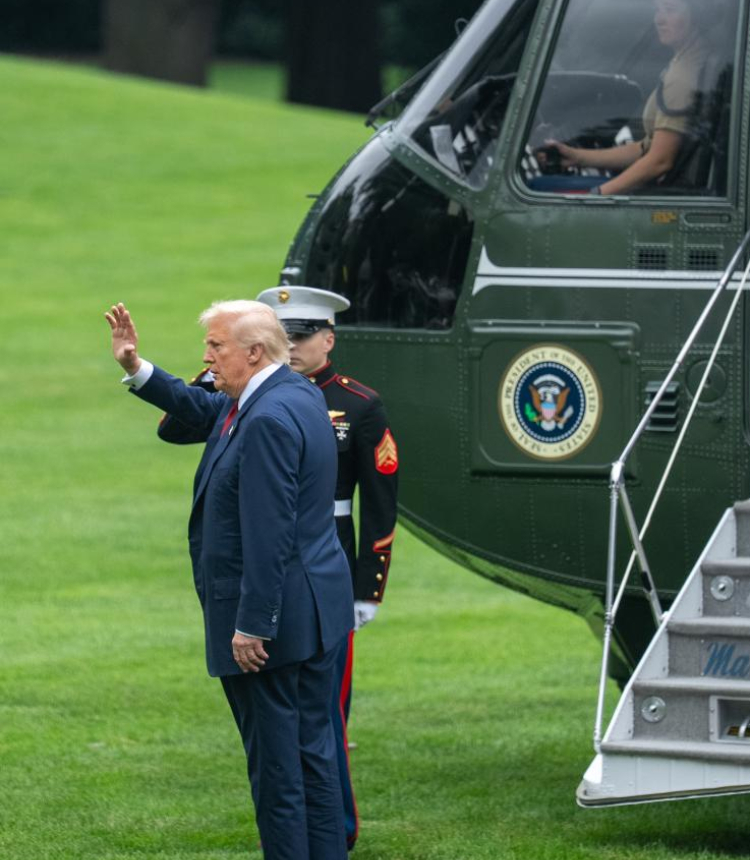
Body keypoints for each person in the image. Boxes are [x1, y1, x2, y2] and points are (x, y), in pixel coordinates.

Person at [104, 300, 353, 860]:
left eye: (216, 347)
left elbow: (270, 533)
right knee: (315, 755)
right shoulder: (291, 392)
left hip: (274, 626)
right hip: (315, 611)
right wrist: (136, 368)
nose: (207, 357)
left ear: (254, 352)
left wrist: (251, 626)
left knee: (278, 772)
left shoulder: (263, 418)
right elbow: (201, 406)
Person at [257, 286, 398, 851]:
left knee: (325, 710)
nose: (290, 347)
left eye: (301, 337)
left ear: (328, 339)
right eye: (281, 336)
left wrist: (369, 589)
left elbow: (381, 502)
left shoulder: (359, 404)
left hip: (329, 560)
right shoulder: (256, 393)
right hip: (272, 561)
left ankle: (335, 831)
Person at [539, 0, 715, 195]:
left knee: (537, 188)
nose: (659, 19)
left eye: (670, 10)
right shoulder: (689, 60)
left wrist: (597, 194)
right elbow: (645, 148)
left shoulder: (682, 76)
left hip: (661, 193)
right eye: (658, 10)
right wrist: (577, 157)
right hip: (661, 187)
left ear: (698, 17)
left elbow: (660, 161)